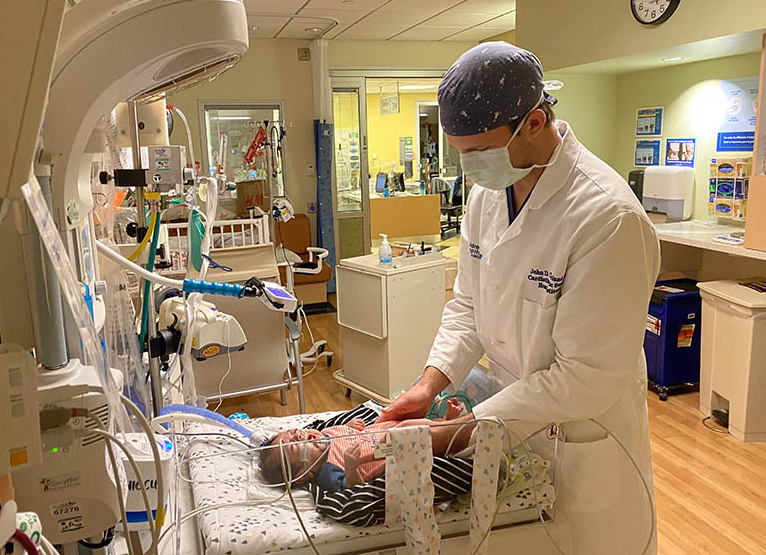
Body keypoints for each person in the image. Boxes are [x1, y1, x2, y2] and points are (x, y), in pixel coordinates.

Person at [376, 42, 660, 554]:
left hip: (582, 434)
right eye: (460, 153)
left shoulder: (607, 218)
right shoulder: (488, 195)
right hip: (512, 419)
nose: (470, 168)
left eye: (479, 152)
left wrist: (464, 431)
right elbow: (467, 305)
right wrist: (429, 384)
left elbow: (587, 376)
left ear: (533, 122)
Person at [259, 398, 467, 492]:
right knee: (407, 428)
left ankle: (444, 423)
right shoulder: (326, 470)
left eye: (292, 432)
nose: (299, 435)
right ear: (304, 473)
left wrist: (348, 426)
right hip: (393, 448)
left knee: (404, 413)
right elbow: (353, 488)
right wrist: (350, 468)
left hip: (385, 428)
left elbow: (340, 432)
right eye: (294, 446)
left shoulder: (324, 434)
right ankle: (452, 428)